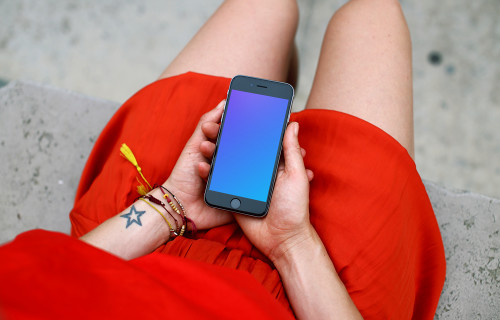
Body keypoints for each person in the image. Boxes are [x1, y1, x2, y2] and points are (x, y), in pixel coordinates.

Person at [0, 0, 446, 319]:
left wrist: (169, 203)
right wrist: (292, 244)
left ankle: (280, 90)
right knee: (371, 14)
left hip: (141, 237)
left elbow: (54, 270)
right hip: (315, 290)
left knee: (268, 7)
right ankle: (281, 95)